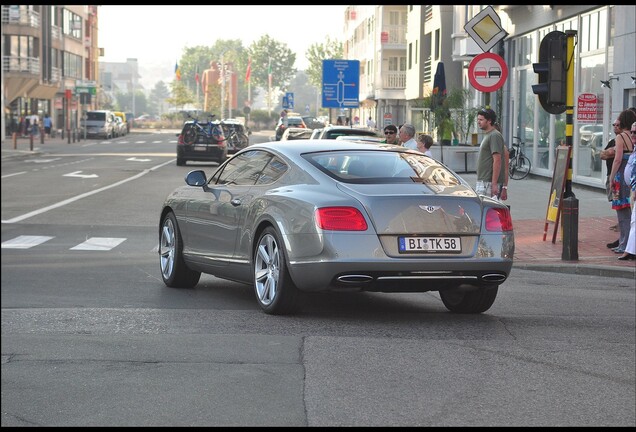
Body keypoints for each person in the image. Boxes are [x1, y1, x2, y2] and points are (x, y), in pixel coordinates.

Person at [608, 108, 636, 255]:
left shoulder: (620, 138)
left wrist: (611, 177)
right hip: (632, 176)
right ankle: (628, 244)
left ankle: (624, 244)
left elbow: (618, 159)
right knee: (631, 212)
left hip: (621, 176)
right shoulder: (632, 138)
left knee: (622, 212)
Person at [475, 108, 506, 200]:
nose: (478, 122)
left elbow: (497, 160)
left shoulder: (494, 135)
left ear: (489, 121)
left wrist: (494, 183)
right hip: (483, 181)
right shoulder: (488, 135)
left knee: (486, 211)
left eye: (481, 120)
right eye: (478, 119)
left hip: (488, 183)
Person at [618, 121, 636, 260]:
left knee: (633, 220)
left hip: (634, 190)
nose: (633, 135)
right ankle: (630, 250)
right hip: (632, 188)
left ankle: (629, 251)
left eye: (635, 132)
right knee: (633, 221)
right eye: (632, 132)